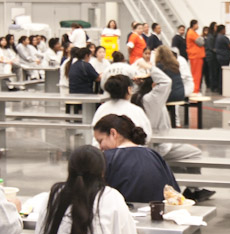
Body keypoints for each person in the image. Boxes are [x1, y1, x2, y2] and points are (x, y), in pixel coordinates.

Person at [132, 64, 215, 202]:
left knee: (182, 162)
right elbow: (166, 81)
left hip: (151, 145)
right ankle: (194, 190)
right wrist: (151, 68)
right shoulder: (152, 99)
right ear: (153, 84)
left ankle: (191, 187)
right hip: (158, 147)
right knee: (195, 154)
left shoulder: (137, 98)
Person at [93, 114, 179, 205]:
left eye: (100, 141)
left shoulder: (106, 158)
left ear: (113, 133)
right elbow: (173, 192)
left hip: (123, 215)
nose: (100, 147)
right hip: (157, 214)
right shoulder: (154, 155)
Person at [92, 74, 152, 143]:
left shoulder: (102, 109)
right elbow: (146, 136)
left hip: (103, 151)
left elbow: (94, 133)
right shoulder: (136, 110)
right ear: (129, 89)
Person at [186, 19, 205, 93]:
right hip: (195, 56)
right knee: (196, 75)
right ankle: (195, 90)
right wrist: (202, 37)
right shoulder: (191, 33)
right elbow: (201, 42)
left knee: (197, 74)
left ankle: (195, 90)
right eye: (197, 24)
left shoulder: (193, 33)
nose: (198, 26)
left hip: (196, 56)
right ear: (193, 25)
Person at [214, 24, 230, 94]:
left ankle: (219, 88)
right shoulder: (224, 38)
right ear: (222, 30)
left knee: (220, 73)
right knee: (223, 73)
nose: (225, 31)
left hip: (219, 56)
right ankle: (222, 89)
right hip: (224, 57)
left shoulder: (217, 37)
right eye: (224, 29)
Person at [203, 22, 219, 93]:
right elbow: (211, 47)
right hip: (210, 57)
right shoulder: (210, 37)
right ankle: (212, 86)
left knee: (214, 72)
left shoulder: (214, 36)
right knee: (212, 72)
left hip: (213, 56)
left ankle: (214, 86)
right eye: (215, 26)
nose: (216, 27)